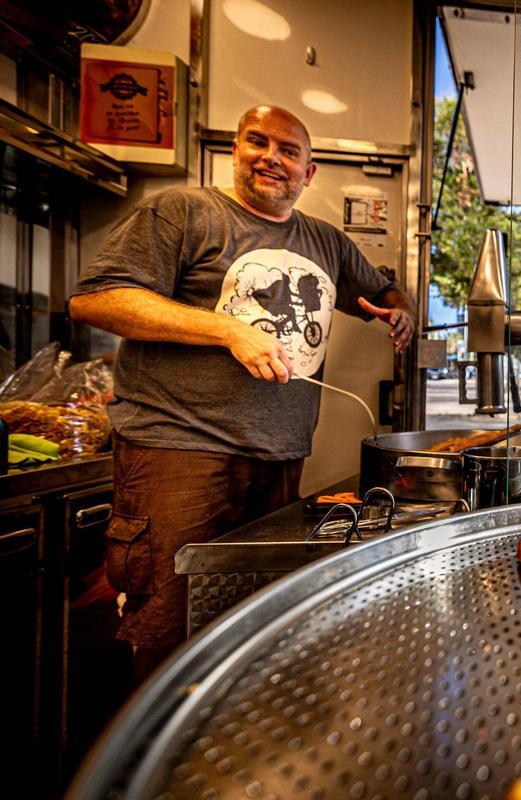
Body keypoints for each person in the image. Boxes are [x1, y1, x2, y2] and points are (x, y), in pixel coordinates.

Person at [70, 105, 416, 677]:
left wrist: (399, 311)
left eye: (289, 151)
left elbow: (382, 289)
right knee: (170, 624)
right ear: (236, 150)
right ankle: (158, 754)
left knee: (255, 619)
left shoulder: (325, 241)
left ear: (309, 173)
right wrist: (229, 329)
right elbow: (97, 298)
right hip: (178, 450)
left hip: (279, 458)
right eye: (257, 142)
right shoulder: (182, 211)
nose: (271, 158)